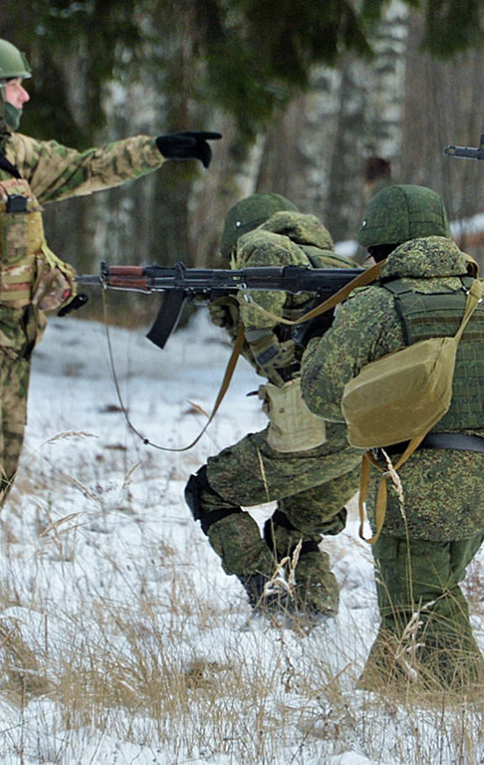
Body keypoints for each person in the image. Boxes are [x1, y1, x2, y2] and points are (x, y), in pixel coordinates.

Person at [0, 36, 219, 609]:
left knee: (0, 469)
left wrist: (157, 149)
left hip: (16, 336)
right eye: (13, 86)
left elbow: (83, 168)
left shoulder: (11, 153)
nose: (23, 95)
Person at [300, 184, 484, 697]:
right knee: (421, 594)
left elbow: (323, 394)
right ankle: (382, 691)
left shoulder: (374, 304)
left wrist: (313, 339)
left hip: (413, 479)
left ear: (379, 246)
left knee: (420, 598)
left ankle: (464, 698)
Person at [183, 193, 363, 618]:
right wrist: (228, 308)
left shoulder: (263, 249)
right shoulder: (331, 267)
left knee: (209, 493)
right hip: (367, 429)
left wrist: (256, 329)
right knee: (297, 530)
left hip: (318, 426)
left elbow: (276, 347)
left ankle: (272, 608)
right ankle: (318, 618)